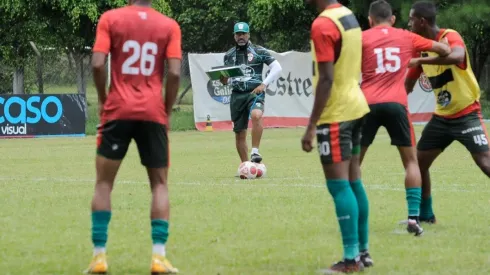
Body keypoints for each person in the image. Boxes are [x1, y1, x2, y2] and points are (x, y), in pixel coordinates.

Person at [85, 0, 181, 274]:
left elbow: (97, 63)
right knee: (160, 185)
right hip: (153, 112)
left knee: (103, 184)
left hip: (117, 111)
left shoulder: (110, 19)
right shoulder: (169, 25)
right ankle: (159, 257)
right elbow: (174, 72)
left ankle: (99, 257)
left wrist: (104, 100)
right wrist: (167, 110)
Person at [359, 0, 451, 236]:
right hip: (397, 104)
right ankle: (413, 218)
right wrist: (424, 56)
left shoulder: (362, 38)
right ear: (392, 19)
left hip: (366, 103)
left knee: (354, 163)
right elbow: (444, 50)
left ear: (370, 20)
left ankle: (357, 217)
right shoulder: (405, 36)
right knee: (411, 162)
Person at [405, 0, 490, 224]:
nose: (409, 23)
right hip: (442, 119)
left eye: (412, 19)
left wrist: (421, 59)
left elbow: (457, 56)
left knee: (485, 162)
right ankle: (426, 215)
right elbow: (407, 86)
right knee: (419, 163)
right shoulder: (421, 49)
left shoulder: (450, 36)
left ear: (422, 21)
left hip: (467, 113)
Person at [302, 0, 371, 273]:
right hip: (357, 106)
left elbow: (327, 78)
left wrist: (311, 125)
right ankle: (362, 252)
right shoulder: (347, 15)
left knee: (339, 185)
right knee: (354, 181)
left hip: (337, 114)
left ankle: (351, 259)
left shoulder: (323, 24)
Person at [219, 22, 282, 164]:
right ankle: (246, 166)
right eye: (238, 34)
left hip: (254, 92)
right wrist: (225, 81)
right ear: (234, 36)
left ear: (248, 34)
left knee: (257, 115)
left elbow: (277, 68)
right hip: (237, 95)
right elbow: (228, 79)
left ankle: (255, 152)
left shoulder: (259, 51)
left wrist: (263, 84)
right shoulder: (228, 55)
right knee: (239, 134)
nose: (241, 37)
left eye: (243, 34)